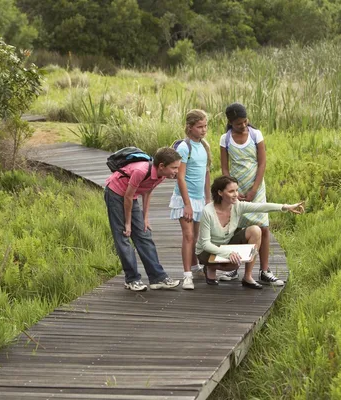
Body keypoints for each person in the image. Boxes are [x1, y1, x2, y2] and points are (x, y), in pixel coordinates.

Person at [196, 175, 304, 289]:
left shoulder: (237, 206)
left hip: (226, 246)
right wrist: (228, 253)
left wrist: (286, 207)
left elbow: (261, 207)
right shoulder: (208, 211)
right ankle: (210, 267)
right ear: (220, 193)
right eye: (231, 191)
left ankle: (247, 277)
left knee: (255, 231)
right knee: (232, 262)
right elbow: (205, 244)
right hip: (206, 252)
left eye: (236, 190)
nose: (236, 194)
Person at [219, 102, 282, 286]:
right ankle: (234, 269)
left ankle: (264, 270)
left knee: (262, 226)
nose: (243, 125)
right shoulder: (225, 138)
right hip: (235, 190)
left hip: (256, 187)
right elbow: (225, 167)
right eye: (239, 123)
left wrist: (254, 189)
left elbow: (262, 163)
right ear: (230, 123)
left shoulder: (255, 135)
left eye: (245, 121)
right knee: (238, 227)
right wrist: (232, 191)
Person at [105, 147, 182, 292]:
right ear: (161, 166)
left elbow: (147, 192)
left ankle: (157, 278)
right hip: (116, 194)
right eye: (174, 167)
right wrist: (128, 224)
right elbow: (127, 197)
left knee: (144, 234)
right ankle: (132, 279)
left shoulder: (162, 175)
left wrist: (145, 218)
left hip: (130, 196)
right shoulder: (140, 171)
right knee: (124, 236)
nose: (176, 171)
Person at [169, 109, 212, 290]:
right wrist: (187, 204)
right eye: (199, 127)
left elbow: (206, 173)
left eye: (205, 126)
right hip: (184, 199)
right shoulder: (184, 147)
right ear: (190, 127)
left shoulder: (204, 146)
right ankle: (187, 275)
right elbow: (180, 177)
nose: (203, 130)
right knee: (187, 236)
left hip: (199, 199)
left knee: (195, 237)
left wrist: (208, 200)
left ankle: (195, 268)